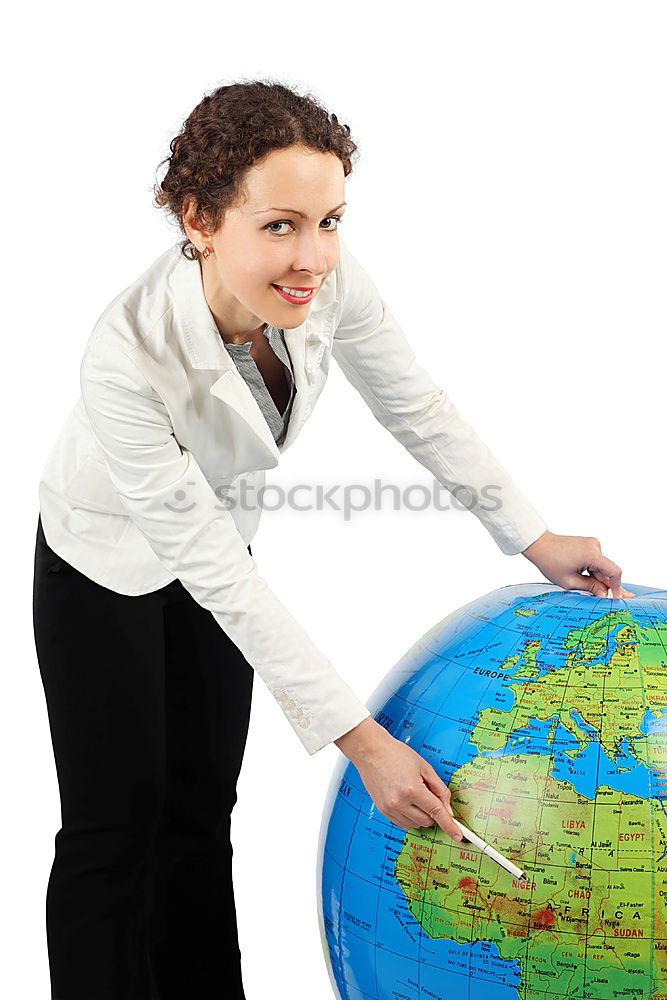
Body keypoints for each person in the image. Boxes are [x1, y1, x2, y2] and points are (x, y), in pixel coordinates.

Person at [32, 78, 633, 1000]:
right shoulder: (124, 352)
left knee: (199, 810)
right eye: (279, 225)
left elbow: (415, 405)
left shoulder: (325, 278)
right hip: (102, 561)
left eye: (330, 220)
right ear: (198, 217)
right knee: (115, 826)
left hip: (219, 549)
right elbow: (216, 573)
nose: (312, 256)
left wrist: (531, 535)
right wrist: (362, 743)